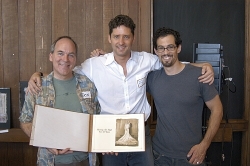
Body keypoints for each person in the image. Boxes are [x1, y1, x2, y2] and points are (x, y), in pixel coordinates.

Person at [27, 15, 214, 166]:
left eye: (126, 36)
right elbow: (65, 70)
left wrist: (203, 65)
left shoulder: (146, 60)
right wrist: (39, 74)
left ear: (132, 38)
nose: (121, 41)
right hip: (108, 137)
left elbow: (172, 62)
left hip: (141, 134)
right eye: (116, 36)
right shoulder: (94, 65)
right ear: (109, 38)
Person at [19, 36, 101, 166]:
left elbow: (99, 119)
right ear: (51, 56)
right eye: (60, 53)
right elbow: (25, 121)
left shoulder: (89, 85)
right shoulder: (37, 87)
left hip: (86, 161)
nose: (65, 59)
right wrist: (44, 141)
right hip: (51, 162)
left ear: (75, 59)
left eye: (71, 55)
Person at [147, 27, 223, 166]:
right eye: (161, 48)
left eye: (170, 47)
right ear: (156, 51)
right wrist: (104, 58)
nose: (166, 52)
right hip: (159, 156)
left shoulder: (200, 75)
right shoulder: (152, 78)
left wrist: (204, 145)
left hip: (191, 156)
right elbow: (126, 76)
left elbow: (217, 109)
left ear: (179, 48)